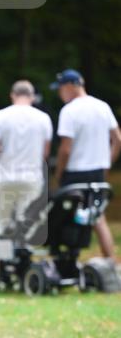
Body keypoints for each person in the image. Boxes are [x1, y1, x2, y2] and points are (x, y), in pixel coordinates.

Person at [0, 80, 53, 288]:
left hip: (6, 177)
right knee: (27, 225)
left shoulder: (1, 116)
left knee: (2, 224)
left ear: (12, 95)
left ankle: (5, 270)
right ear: (32, 97)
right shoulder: (43, 118)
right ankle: (24, 268)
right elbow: (45, 152)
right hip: (32, 178)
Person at [52, 68, 121, 260]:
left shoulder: (69, 111)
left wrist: (59, 173)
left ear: (70, 86)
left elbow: (65, 148)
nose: (60, 93)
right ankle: (111, 263)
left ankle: (67, 262)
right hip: (98, 172)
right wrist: (106, 164)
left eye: (60, 89)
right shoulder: (102, 107)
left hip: (75, 173)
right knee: (98, 217)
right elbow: (117, 139)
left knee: (67, 216)